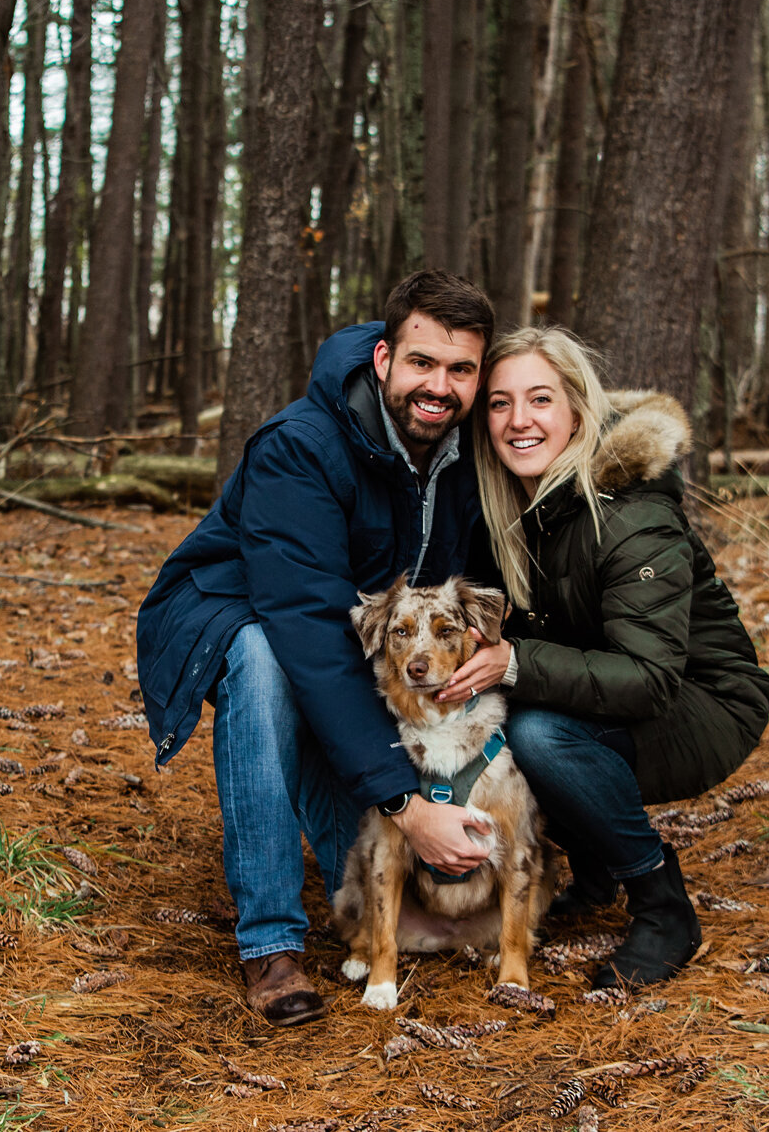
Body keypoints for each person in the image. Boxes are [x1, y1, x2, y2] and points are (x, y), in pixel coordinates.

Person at [134, 272, 501, 1027]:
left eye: (461, 369)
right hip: (231, 609)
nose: (440, 385)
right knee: (268, 663)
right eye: (422, 362)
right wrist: (404, 802)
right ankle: (270, 942)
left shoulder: (466, 452)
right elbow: (306, 631)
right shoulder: (300, 447)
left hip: (348, 626)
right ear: (382, 358)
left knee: (368, 897)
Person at [442, 326, 769, 990]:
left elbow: (649, 678)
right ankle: (592, 869)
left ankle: (662, 903)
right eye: (500, 404)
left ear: (577, 410)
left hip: (703, 700)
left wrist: (514, 663)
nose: (518, 420)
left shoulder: (630, 511)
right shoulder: (511, 499)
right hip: (615, 687)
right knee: (502, 719)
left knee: (540, 734)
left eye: (540, 399)